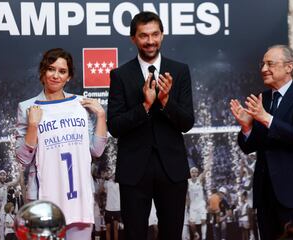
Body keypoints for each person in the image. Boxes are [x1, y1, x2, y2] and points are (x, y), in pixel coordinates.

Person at [107, 11, 194, 240]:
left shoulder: (180, 70)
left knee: (172, 234)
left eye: (155, 34)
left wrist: (166, 101)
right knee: (134, 234)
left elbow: (187, 122)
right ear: (133, 38)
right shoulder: (120, 75)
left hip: (172, 170)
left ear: (162, 35)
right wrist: (145, 105)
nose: (150, 41)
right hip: (133, 171)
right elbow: (114, 126)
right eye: (144, 36)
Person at [15, 48, 107, 239]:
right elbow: (23, 159)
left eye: (62, 71)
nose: (55, 75)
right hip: (42, 195)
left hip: (78, 196)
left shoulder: (81, 105)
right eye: (51, 69)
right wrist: (33, 126)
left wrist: (101, 115)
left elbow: (96, 151)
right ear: (42, 72)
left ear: (69, 76)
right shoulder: (27, 107)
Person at [230, 44, 293, 240]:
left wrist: (265, 118)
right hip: (266, 196)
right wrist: (246, 128)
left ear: (289, 66)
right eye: (262, 64)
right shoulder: (263, 99)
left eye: (270, 64)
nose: (263, 69)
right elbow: (248, 147)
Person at [187, 167, 207, 240]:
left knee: (203, 221)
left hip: (201, 204)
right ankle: (196, 234)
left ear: (197, 173)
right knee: (191, 224)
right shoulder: (188, 182)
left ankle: (204, 237)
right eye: (192, 172)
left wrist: (210, 157)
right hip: (193, 205)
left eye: (195, 172)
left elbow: (206, 169)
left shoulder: (200, 179)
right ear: (190, 173)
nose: (194, 173)